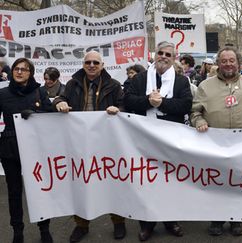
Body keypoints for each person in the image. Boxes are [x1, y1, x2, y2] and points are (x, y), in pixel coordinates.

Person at [190, 46, 242, 237]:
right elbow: (195, 112)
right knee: (217, 183)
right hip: (214, 145)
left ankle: (236, 220)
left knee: (239, 182)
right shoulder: (205, 86)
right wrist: (199, 121)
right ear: (218, 63)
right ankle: (217, 219)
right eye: (224, 61)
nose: (228, 64)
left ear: (238, 63)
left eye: (231, 60)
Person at [52, 51, 125, 243]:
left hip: (107, 142)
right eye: (88, 62)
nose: (91, 65)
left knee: (112, 181)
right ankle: (81, 225)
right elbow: (59, 98)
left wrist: (119, 109)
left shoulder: (114, 85)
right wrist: (60, 102)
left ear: (102, 65)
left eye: (95, 62)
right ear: (83, 64)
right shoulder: (72, 84)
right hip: (80, 142)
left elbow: (125, 106)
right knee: (81, 182)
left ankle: (118, 222)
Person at [124, 41, 191, 241]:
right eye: (160, 53)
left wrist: (162, 103)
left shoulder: (181, 82)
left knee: (170, 181)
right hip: (144, 138)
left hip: (171, 139)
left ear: (174, 58)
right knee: (146, 181)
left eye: (168, 54)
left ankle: (171, 220)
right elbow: (128, 101)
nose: (163, 56)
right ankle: (147, 224)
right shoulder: (140, 79)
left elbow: (186, 105)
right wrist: (148, 101)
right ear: (154, 55)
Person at [0, 58, 53, 243]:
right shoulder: (3, 93)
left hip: (35, 147)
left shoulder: (39, 91)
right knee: (14, 192)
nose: (19, 72)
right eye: (16, 68)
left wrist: (36, 114)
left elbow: (51, 115)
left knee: (39, 189)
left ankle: (44, 229)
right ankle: (17, 231)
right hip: (9, 147)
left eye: (24, 69)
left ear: (31, 73)